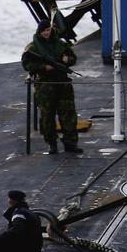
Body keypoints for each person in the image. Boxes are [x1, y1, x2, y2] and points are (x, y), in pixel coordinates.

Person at [21, 19, 82, 154]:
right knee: (47, 117)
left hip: (62, 83)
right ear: (39, 31)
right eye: (44, 31)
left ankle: (70, 143)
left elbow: (73, 58)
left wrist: (68, 60)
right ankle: (51, 143)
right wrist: (43, 67)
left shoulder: (60, 44)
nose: (46, 33)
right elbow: (27, 64)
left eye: (48, 30)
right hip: (45, 85)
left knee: (68, 115)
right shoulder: (33, 48)